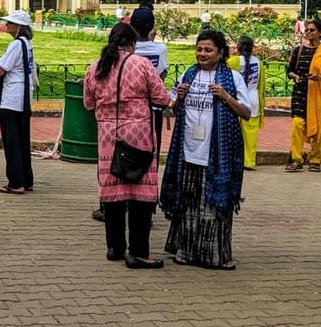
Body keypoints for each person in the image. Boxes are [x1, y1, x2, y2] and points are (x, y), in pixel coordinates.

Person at [160, 30, 251, 270]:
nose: (202, 54)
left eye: (208, 50)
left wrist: (226, 96)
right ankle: (186, 251)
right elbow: (172, 110)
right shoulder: (189, 73)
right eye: (199, 49)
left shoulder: (232, 78)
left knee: (215, 205)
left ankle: (217, 255)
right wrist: (178, 98)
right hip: (188, 151)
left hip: (218, 154)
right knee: (188, 204)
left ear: (220, 53)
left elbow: (247, 113)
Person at [84, 23, 171, 268]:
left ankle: (114, 247)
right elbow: (161, 97)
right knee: (140, 195)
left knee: (112, 192)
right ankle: (138, 252)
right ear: (132, 43)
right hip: (138, 134)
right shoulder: (140, 64)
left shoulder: (95, 67)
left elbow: (89, 103)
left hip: (107, 136)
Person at [0, 10, 36, 195]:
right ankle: (26, 179)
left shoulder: (15, 45)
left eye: (11, 23)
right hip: (24, 97)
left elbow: (1, 69)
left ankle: (15, 182)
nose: (7, 26)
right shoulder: (27, 44)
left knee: (11, 142)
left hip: (12, 98)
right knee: (22, 140)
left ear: (19, 27)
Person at [286, 18, 321, 172]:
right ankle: (296, 159)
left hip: (318, 95)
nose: (308, 33)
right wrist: (295, 76)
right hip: (300, 93)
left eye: (312, 30)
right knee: (297, 125)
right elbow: (290, 71)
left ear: (320, 33)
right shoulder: (298, 50)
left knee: (319, 128)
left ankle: (315, 160)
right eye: (307, 30)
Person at [227, 36, 265, 171]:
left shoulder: (233, 61)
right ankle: (249, 162)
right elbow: (261, 85)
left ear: (238, 47)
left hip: (237, 101)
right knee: (251, 135)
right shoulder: (259, 63)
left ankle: (233, 161)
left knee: (233, 134)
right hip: (253, 100)